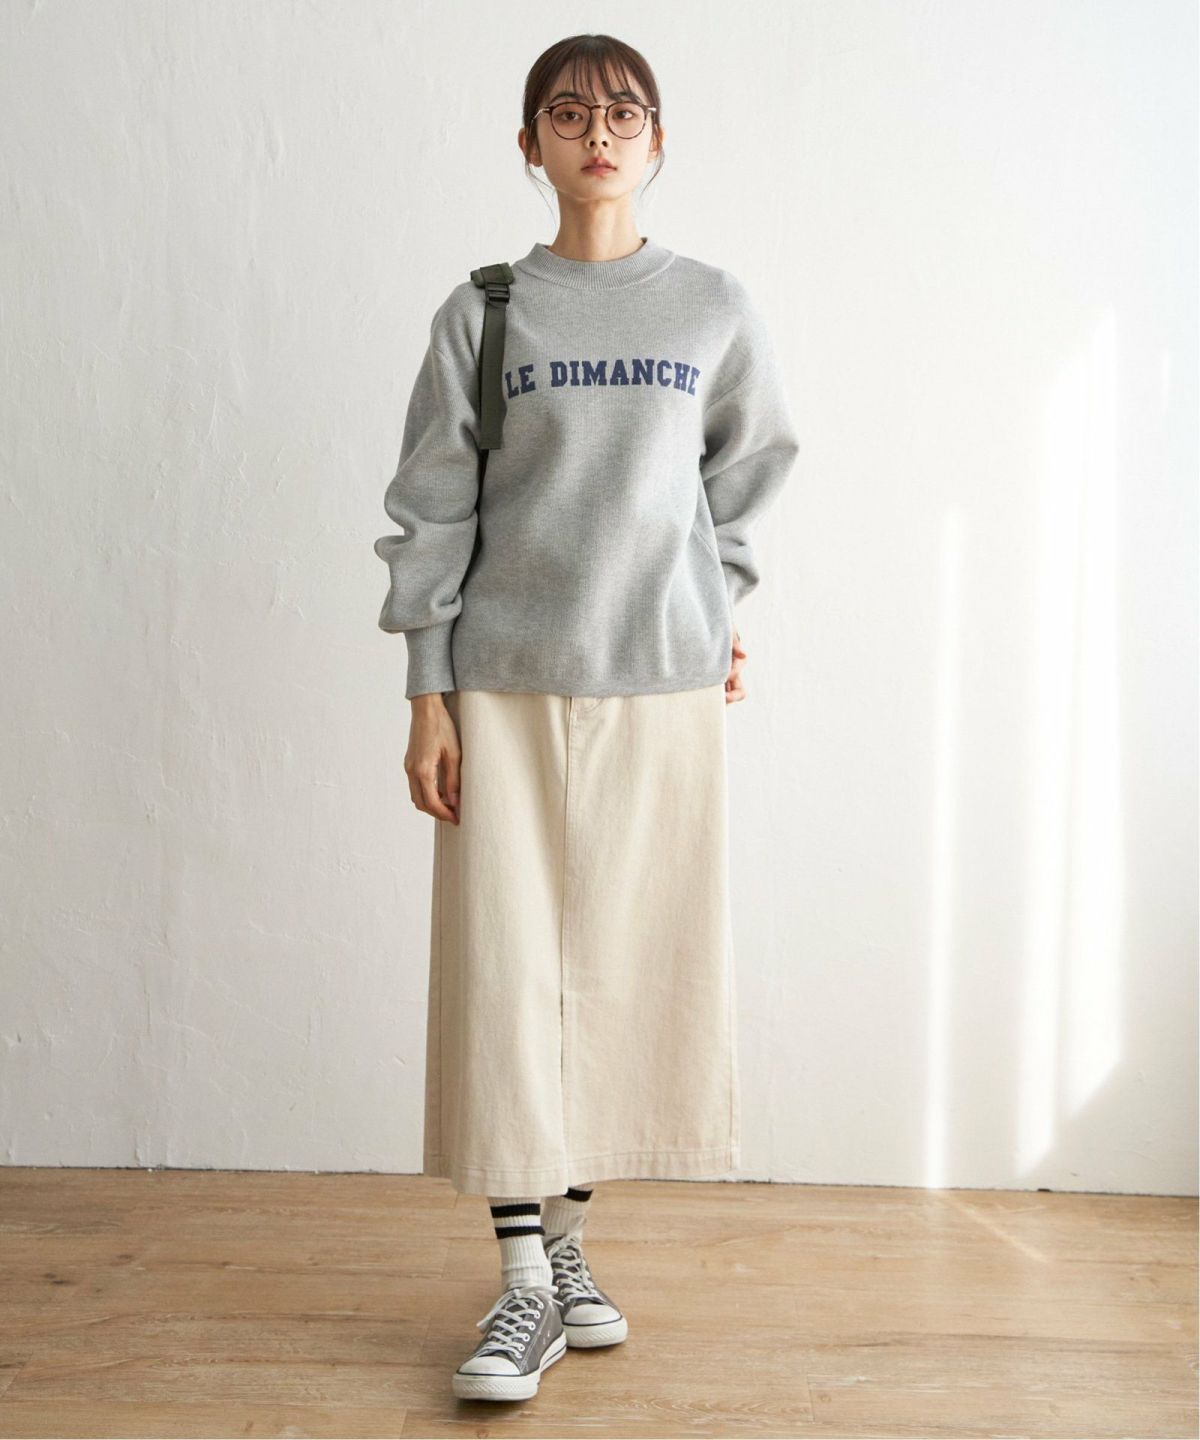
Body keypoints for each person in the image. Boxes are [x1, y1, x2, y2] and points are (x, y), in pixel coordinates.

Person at [373, 32, 800, 1403]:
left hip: (661, 683)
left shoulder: (712, 308)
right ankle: (521, 1282)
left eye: (622, 114)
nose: (597, 135)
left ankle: (562, 1250)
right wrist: (427, 690)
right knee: (510, 975)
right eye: (568, 114)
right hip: (501, 682)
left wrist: (717, 604)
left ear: (658, 142)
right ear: (529, 146)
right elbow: (432, 508)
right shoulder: (485, 311)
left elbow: (747, 478)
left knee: (617, 974)